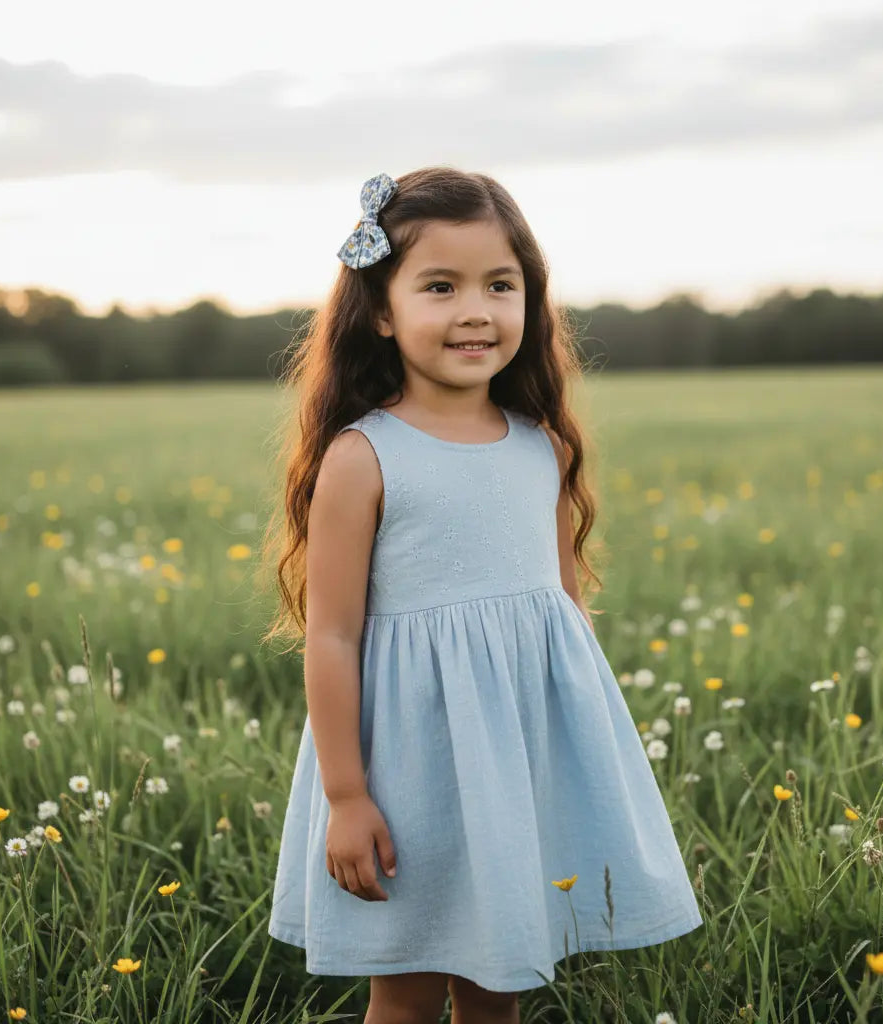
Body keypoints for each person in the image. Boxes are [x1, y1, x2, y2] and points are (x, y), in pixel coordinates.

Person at [262, 167, 702, 1024]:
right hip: (412, 765)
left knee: (504, 972)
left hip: (520, 757)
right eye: (440, 286)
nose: (477, 310)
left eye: (501, 285)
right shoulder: (364, 456)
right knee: (411, 980)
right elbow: (333, 638)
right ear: (382, 312)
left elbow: (563, 617)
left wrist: (586, 753)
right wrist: (348, 797)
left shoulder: (542, 445)